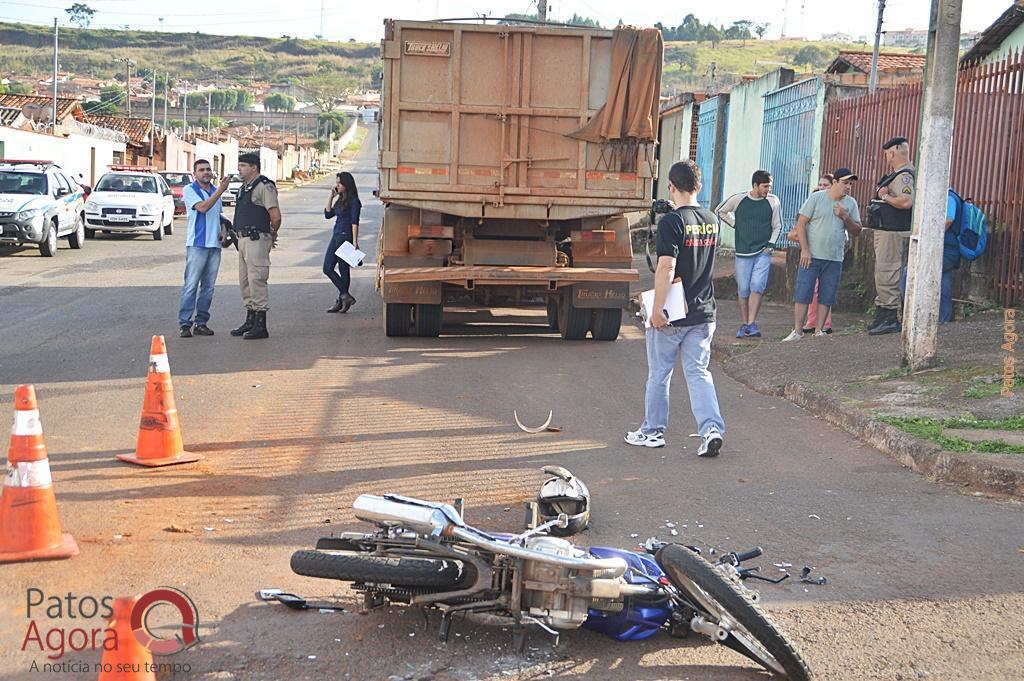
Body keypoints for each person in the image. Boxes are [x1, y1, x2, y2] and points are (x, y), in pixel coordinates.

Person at [625, 160, 725, 458]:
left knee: (660, 373)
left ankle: (653, 431)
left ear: (671, 186)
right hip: (704, 309)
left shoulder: (671, 223)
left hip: (673, 311)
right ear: (699, 186)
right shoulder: (711, 219)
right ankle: (711, 430)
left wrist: (657, 310)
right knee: (698, 372)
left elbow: (667, 266)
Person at [783, 168, 862, 341]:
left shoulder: (850, 203)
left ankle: (819, 330)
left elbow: (857, 230)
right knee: (803, 292)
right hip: (812, 254)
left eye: (850, 183)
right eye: (845, 183)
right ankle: (797, 330)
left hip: (834, 256)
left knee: (827, 294)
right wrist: (805, 249)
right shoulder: (816, 198)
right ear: (835, 182)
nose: (848, 186)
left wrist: (845, 216)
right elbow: (801, 224)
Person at [716, 170, 783, 339]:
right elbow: (720, 210)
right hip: (743, 252)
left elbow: (778, 225)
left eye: (769, 186)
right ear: (755, 185)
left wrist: (770, 245)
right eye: (765, 186)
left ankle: (751, 323)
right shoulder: (739, 199)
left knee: (757, 286)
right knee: (743, 289)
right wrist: (736, 224)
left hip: (763, 252)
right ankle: (745, 323)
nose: (768, 189)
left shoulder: (773, 201)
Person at [229, 152, 281, 340]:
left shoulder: (264, 187)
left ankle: (261, 324)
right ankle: (250, 319)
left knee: (257, 280)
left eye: (243, 165)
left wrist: (271, 233)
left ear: (254, 167)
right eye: (239, 165)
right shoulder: (244, 187)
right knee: (245, 282)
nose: (239, 169)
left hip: (256, 239)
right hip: (242, 240)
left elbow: (275, 215)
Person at [868, 136, 915, 336]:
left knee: (888, 271)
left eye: (887, 153)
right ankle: (882, 311)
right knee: (882, 272)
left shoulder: (905, 176)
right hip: (886, 231)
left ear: (892, 153)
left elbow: (906, 202)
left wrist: (885, 196)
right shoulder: (895, 175)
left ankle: (889, 316)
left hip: (893, 233)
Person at [178, 159, 230, 338]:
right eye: (201, 170)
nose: (206, 172)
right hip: (197, 245)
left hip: (214, 246)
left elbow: (219, 215)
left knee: (208, 287)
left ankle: (202, 323)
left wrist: (223, 230)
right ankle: (185, 323)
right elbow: (203, 208)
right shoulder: (190, 190)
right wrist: (221, 191)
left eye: (208, 169)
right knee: (191, 286)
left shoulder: (215, 190)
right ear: (195, 174)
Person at [323, 171, 361, 313]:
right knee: (327, 267)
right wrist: (331, 197)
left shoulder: (354, 201)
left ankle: (342, 300)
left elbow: (354, 222)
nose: (337, 185)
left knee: (343, 269)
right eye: (337, 183)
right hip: (336, 235)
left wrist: (355, 242)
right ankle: (345, 296)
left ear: (346, 184)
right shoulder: (341, 199)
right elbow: (328, 214)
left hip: (346, 237)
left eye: (339, 183)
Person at [802, 174, 836, 334]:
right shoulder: (813, 201)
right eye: (820, 185)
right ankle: (811, 321)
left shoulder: (839, 203)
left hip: (829, 253)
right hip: (812, 251)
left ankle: (824, 324)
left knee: (824, 289)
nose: (822, 188)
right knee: (811, 289)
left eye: (826, 185)